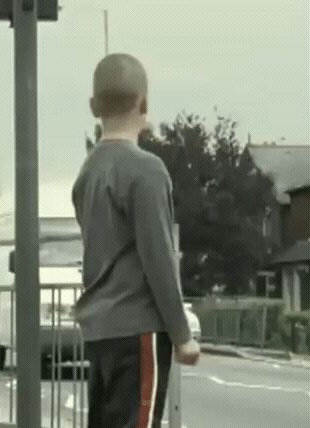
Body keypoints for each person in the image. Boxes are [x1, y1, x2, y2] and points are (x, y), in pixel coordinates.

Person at [72, 53, 201, 428]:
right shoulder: (147, 171)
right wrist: (182, 334)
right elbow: (158, 256)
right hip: (138, 329)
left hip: (99, 330)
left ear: (94, 107)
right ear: (144, 104)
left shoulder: (88, 172)